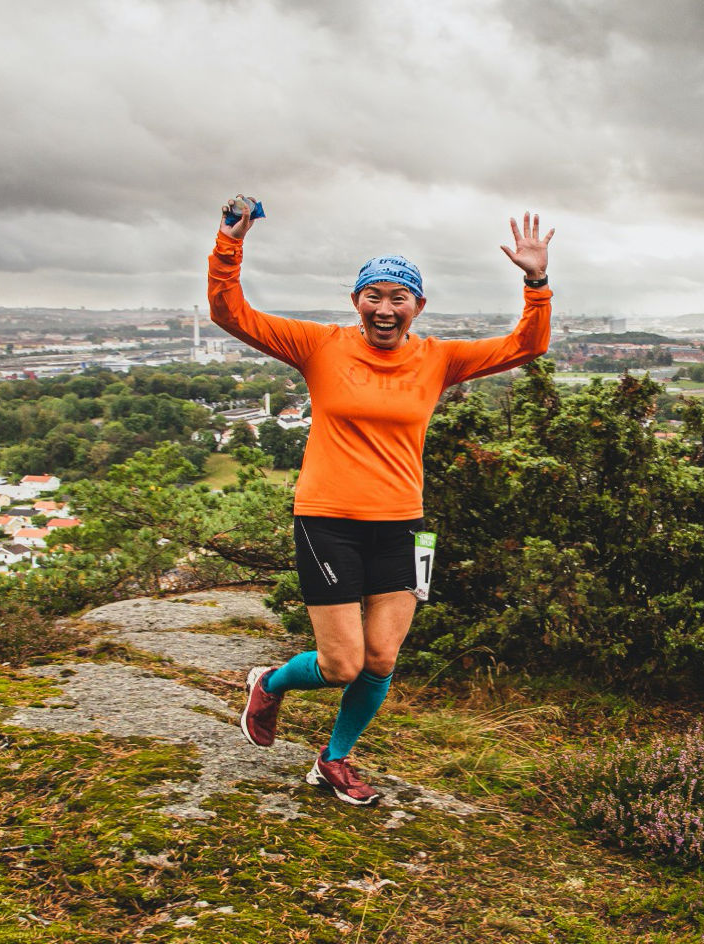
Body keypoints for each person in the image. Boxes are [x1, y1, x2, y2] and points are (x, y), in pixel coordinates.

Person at [207, 199, 553, 806]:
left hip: (405, 525)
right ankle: (270, 681)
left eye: (399, 298)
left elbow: (527, 346)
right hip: (327, 520)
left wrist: (535, 281)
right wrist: (229, 243)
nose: (385, 308)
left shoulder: (438, 358)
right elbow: (230, 313)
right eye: (374, 295)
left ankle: (333, 760)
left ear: (418, 307)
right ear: (356, 302)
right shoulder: (320, 346)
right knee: (341, 664)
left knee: (382, 658)